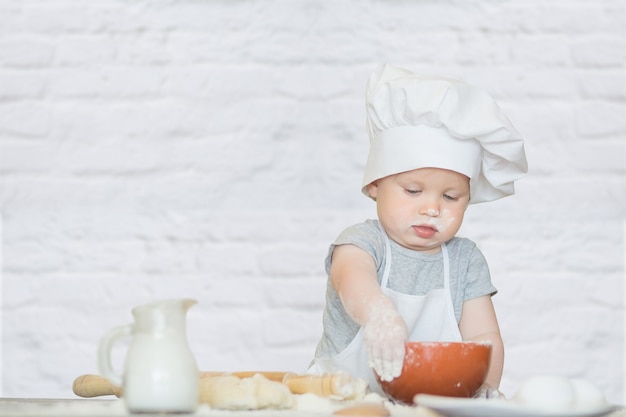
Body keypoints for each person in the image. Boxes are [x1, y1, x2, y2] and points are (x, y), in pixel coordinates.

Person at [309, 64, 528, 397]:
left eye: (451, 197)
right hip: (338, 401)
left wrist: (485, 387)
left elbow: (484, 338)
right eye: (413, 191)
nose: (432, 209)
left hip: (428, 406)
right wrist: (378, 314)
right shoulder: (361, 242)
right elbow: (353, 280)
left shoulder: (464, 260)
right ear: (374, 186)